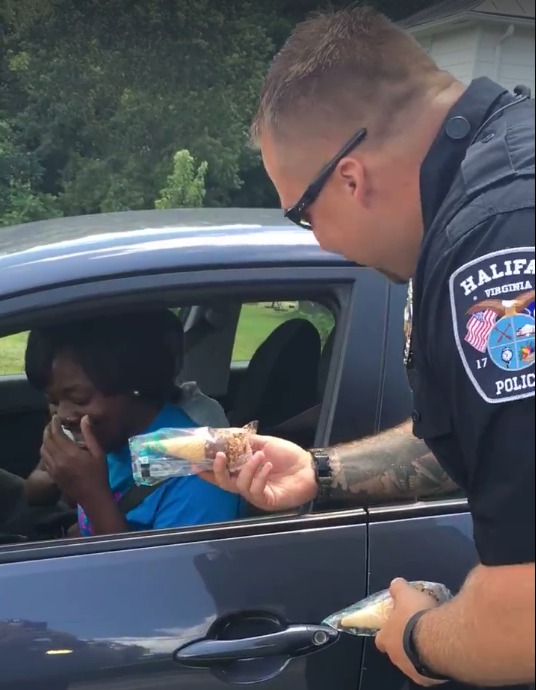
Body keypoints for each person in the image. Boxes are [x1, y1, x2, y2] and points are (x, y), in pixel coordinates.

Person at [201, 7, 535, 688]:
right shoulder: (498, 184)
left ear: (350, 177)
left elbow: (524, 618)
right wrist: (319, 471)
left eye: (302, 213)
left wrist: (416, 635)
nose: (321, 241)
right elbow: (488, 434)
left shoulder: (495, 249)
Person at [24, 309, 241, 537]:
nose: (62, 414)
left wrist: (92, 495)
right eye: (53, 401)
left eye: (79, 399)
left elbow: (161, 562)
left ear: (133, 382)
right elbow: (38, 496)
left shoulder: (199, 472)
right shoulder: (103, 436)